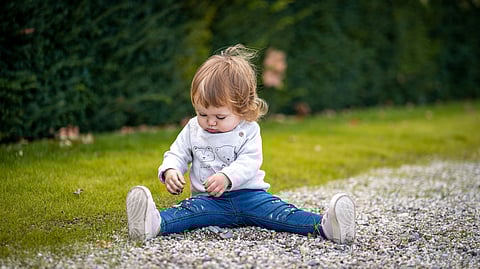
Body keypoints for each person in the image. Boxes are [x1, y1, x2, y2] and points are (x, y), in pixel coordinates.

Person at [126, 44, 356, 244]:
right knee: (187, 213)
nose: (210, 122)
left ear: (242, 108)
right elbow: (176, 153)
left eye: (220, 116)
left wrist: (227, 177)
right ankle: (152, 224)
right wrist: (171, 170)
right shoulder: (194, 129)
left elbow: (250, 162)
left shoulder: (249, 130)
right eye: (202, 113)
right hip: (209, 201)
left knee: (281, 213)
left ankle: (327, 226)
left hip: (250, 197)